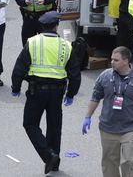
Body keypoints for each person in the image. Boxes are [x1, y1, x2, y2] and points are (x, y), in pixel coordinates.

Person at [11, 11, 81, 174]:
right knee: (55, 127)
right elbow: (75, 74)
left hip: (36, 91)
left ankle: (48, 155)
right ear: (56, 26)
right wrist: (71, 94)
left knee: (30, 124)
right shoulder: (66, 45)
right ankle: (54, 162)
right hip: (57, 92)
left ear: (41, 26)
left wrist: (16, 88)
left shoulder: (32, 42)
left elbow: (19, 67)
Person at [83, 46, 133, 177]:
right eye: (112, 59)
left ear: (126, 61)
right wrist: (87, 117)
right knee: (109, 163)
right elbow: (95, 97)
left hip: (130, 129)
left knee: (129, 162)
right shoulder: (105, 76)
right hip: (108, 128)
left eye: (116, 60)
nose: (112, 62)